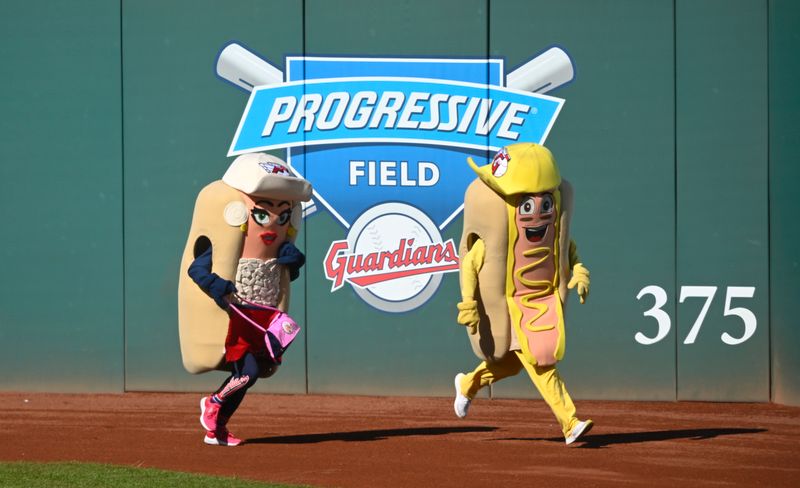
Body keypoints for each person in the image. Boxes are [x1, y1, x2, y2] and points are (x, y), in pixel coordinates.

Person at [453, 143, 593, 445]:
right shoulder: (495, 233)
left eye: (545, 203)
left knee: (511, 365)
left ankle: (467, 384)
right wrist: (468, 304)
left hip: (541, 301)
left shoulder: (552, 231)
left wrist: (579, 272)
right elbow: (470, 265)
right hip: (509, 306)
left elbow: (568, 253)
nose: (537, 213)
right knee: (542, 364)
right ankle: (570, 423)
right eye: (526, 204)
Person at [181, 152, 311, 446]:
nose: (272, 223)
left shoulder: (280, 251)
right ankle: (213, 402)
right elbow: (197, 268)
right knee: (247, 374)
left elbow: (283, 278)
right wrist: (219, 286)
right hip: (236, 318)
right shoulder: (225, 246)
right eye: (262, 213)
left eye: (283, 214)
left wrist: (292, 263)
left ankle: (217, 429)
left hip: (262, 320)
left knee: (246, 376)